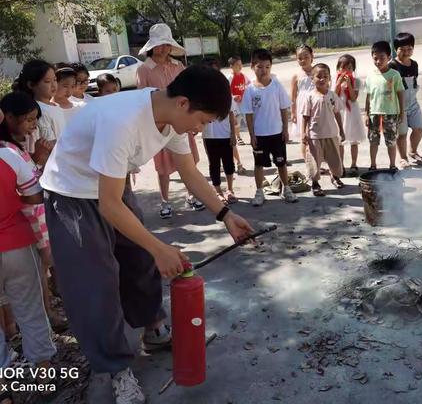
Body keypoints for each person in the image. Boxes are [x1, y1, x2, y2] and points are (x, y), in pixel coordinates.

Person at [40, 65, 253, 403]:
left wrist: (225, 214)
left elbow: (188, 171)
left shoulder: (173, 117)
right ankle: (115, 367)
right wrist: (160, 248)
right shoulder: (122, 120)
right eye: (202, 121)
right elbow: (110, 207)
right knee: (96, 283)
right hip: (71, 194)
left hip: (110, 186)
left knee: (139, 260)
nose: (200, 130)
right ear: (183, 103)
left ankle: (153, 328)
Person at [0, 109, 56, 404]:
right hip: (16, 244)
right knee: (31, 311)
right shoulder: (9, 154)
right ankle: (43, 377)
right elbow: (35, 195)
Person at [0, 92, 65, 332]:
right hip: (26, 228)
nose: (33, 126)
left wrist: (37, 159)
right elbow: (28, 192)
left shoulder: (15, 148)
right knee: (34, 280)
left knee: (39, 275)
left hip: (31, 226)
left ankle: (41, 317)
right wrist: (38, 162)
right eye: (28, 120)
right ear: (7, 117)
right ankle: (41, 320)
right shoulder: (7, 151)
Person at [136, 23, 205, 218]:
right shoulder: (144, 69)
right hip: (160, 125)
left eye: (167, 44)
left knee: (189, 161)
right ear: (151, 46)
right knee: (163, 167)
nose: (163, 48)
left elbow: (189, 92)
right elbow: (143, 99)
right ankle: (165, 201)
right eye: (160, 44)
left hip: (182, 122)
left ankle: (192, 195)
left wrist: (194, 121)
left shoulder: (178, 66)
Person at [242, 48, 298, 206]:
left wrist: (285, 130)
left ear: (271, 67)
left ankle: (286, 189)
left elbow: (283, 108)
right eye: (259, 66)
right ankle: (259, 192)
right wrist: (252, 135)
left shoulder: (276, 86)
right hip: (260, 135)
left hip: (277, 133)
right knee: (259, 164)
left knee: (281, 163)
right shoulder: (250, 90)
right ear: (252, 67)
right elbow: (248, 114)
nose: (263, 70)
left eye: (267, 67)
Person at [303, 64, 345, 195]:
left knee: (335, 159)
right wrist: (304, 133)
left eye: (325, 76)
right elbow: (305, 116)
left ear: (329, 78)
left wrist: (341, 130)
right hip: (315, 135)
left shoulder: (332, 95)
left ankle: (336, 177)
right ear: (312, 78)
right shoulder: (310, 96)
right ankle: (315, 183)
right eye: (318, 76)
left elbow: (337, 113)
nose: (322, 79)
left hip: (331, 133)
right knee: (314, 161)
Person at [202, 58, 238, 204]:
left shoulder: (225, 91)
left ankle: (230, 190)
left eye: (215, 72)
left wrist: (233, 134)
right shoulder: (200, 94)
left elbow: (231, 113)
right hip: (209, 136)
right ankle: (218, 191)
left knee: (229, 163)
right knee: (214, 164)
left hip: (225, 135)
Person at [365, 41, 404, 170]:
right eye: (375, 58)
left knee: (391, 141)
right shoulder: (370, 76)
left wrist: (402, 112)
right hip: (374, 114)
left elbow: (400, 94)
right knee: (373, 141)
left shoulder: (394, 75)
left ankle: (392, 165)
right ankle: (373, 165)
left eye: (382, 58)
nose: (378, 61)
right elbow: (368, 96)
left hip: (391, 113)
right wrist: (366, 114)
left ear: (389, 57)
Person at [389, 32, 422, 169]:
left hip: (413, 103)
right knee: (402, 133)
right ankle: (403, 158)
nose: (406, 52)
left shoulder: (414, 64)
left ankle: (413, 151)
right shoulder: (392, 65)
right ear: (395, 49)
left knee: (419, 127)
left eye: (409, 49)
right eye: (402, 50)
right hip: (398, 105)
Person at [17, 59, 64, 144]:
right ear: (31, 84)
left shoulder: (55, 105)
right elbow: (48, 142)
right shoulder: (39, 110)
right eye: (47, 81)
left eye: (55, 79)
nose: (53, 85)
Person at [334, 54, 365, 176]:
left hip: (352, 112)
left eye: (350, 68)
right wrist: (339, 83)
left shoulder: (356, 81)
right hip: (340, 112)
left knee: (353, 139)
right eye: (343, 68)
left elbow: (353, 98)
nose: (347, 71)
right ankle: (340, 165)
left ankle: (353, 164)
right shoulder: (334, 79)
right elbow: (334, 95)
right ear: (338, 68)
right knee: (339, 140)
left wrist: (350, 85)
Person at [290, 45, 315, 154]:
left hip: (316, 106)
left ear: (312, 56)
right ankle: (308, 163)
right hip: (302, 108)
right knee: (304, 136)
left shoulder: (317, 72)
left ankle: (318, 162)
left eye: (306, 56)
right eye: (300, 58)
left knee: (316, 135)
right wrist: (293, 112)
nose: (303, 60)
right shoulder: (296, 76)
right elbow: (293, 96)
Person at [227, 56, 249, 175]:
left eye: (241, 64)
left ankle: (248, 137)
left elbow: (249, 85)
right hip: (234, 106)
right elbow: (226, 91)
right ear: (231, 66)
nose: (240, 67)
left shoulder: (243, 76)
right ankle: (238, 137)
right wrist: (233, 97)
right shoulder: (230, 77)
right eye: (237, 65)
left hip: (243, 104)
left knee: (244, 121)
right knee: (236, 124)